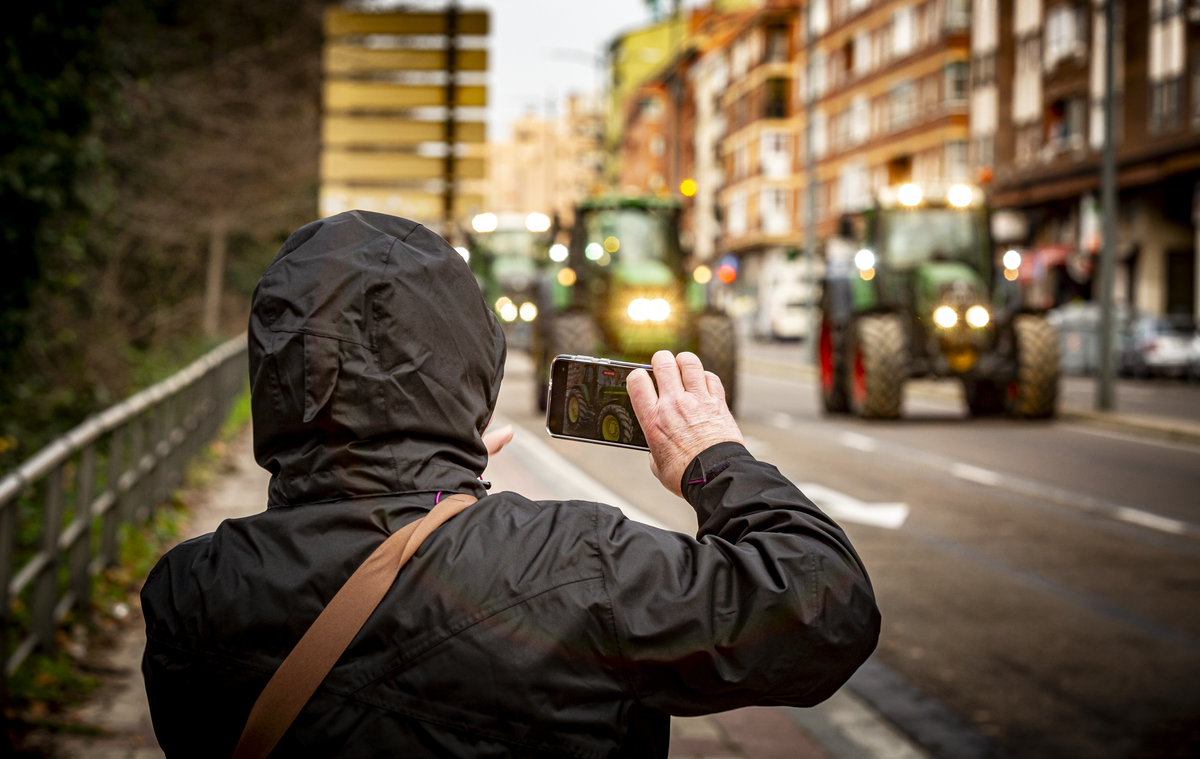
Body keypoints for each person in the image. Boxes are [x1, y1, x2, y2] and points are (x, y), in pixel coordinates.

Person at [141, 210, 880, 758]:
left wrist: (431, 500)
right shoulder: (582, 566)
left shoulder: (187, 596)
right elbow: (825, 612)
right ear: (470, 361)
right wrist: (711, 455)